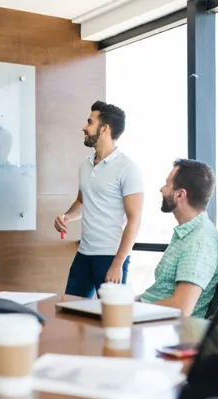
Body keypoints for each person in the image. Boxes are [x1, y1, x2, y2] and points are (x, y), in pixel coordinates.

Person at [54, 101, 144, 298]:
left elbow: (134, 220)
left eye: (89, 122)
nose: (84, 128)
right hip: (84, 255)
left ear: (104, 129)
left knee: (111, 321)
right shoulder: (84, 165)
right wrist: (67, 217)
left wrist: (118, 263)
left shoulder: (128, 169)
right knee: (71, 313)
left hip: (110, 257)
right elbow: (81, 202)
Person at [138, 159, 218, 318]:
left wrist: (129, 311)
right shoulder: (189, 233)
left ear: (180, 195)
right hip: (148, 317)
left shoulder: (200, 242)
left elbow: (181, 307)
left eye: (167, 185)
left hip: (164, 329)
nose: (162, 189)